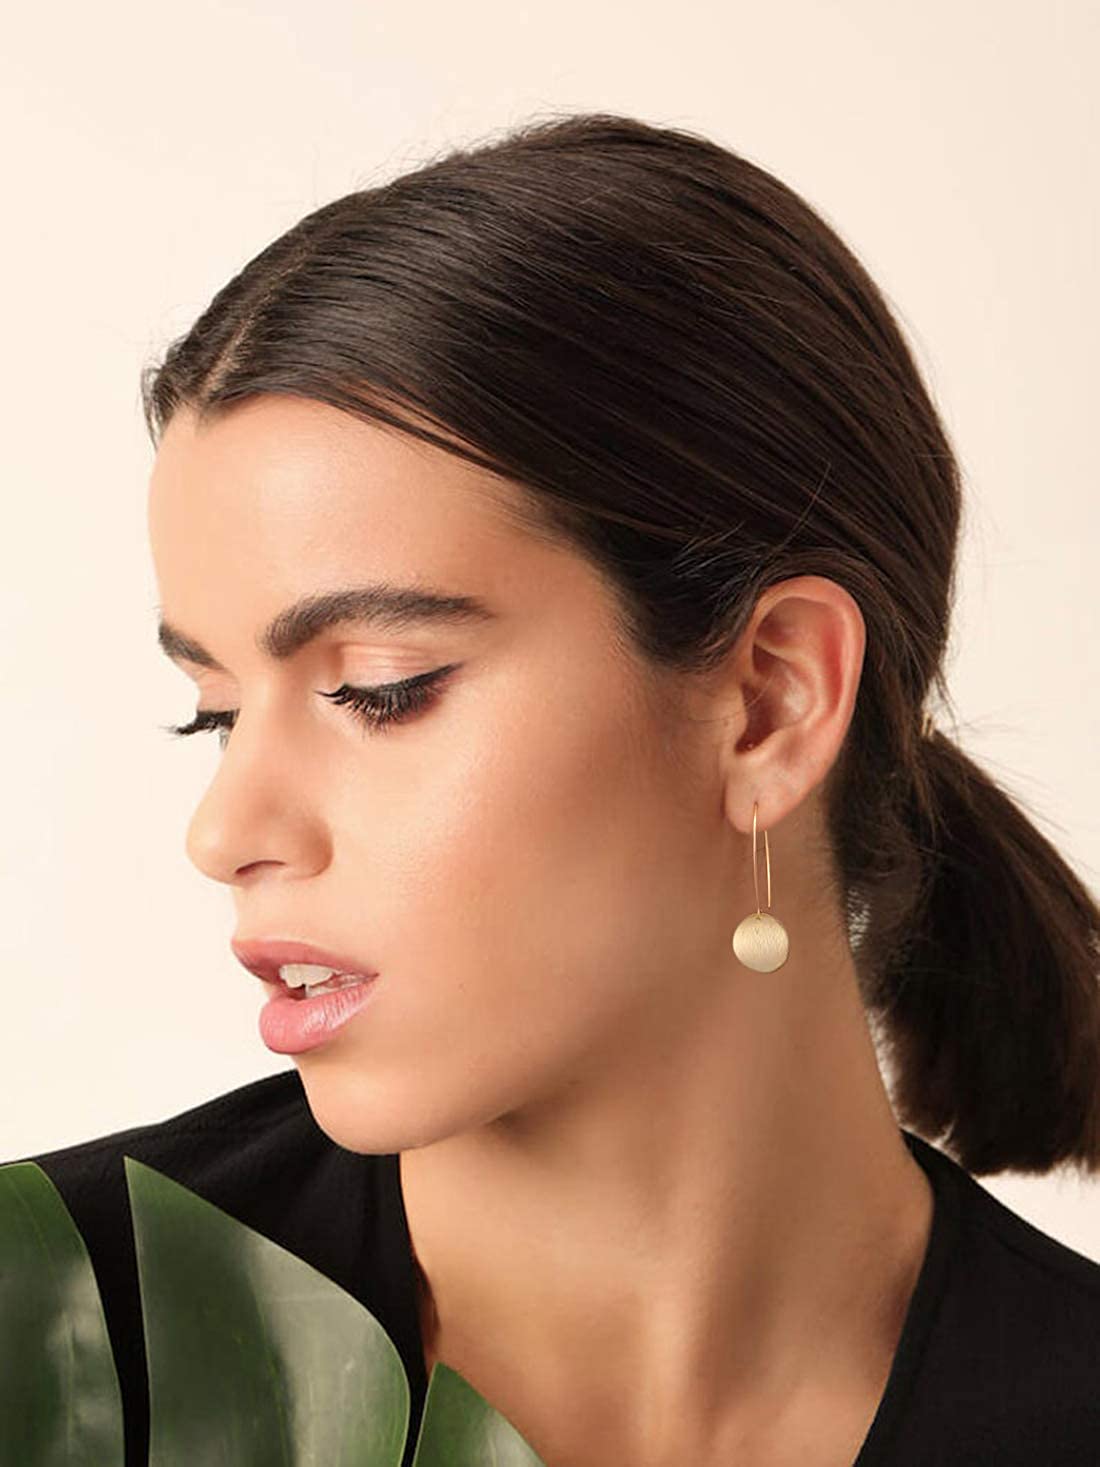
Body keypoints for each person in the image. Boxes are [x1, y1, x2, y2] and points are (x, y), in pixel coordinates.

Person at [10, 111, 1099, 1466]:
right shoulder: (43, 1340)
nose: (226, 831)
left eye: (380, 688)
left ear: (771, 702)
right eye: (215, 713)